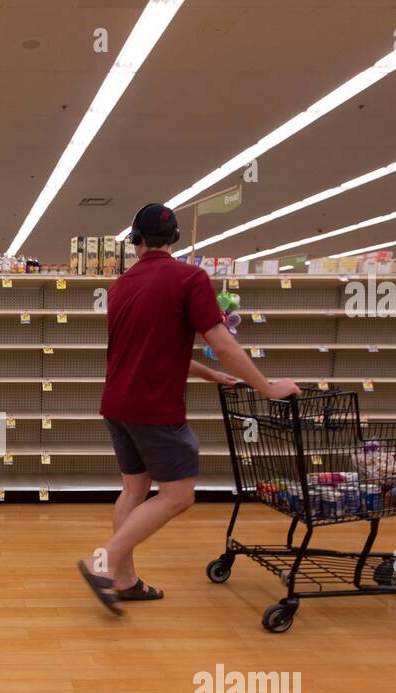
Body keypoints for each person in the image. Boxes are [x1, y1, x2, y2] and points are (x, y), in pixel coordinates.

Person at [77, 202, 300, 615]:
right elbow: (223, 343)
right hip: (155, 407)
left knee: (135, 489)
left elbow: (153, 351)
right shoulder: (191, 278)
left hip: (117, 403)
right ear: (174, 239)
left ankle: (124, 579)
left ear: (136, 242)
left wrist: (210, 376)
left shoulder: (120, 286)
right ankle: (102, 562)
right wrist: (266, 387)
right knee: (179, 496)